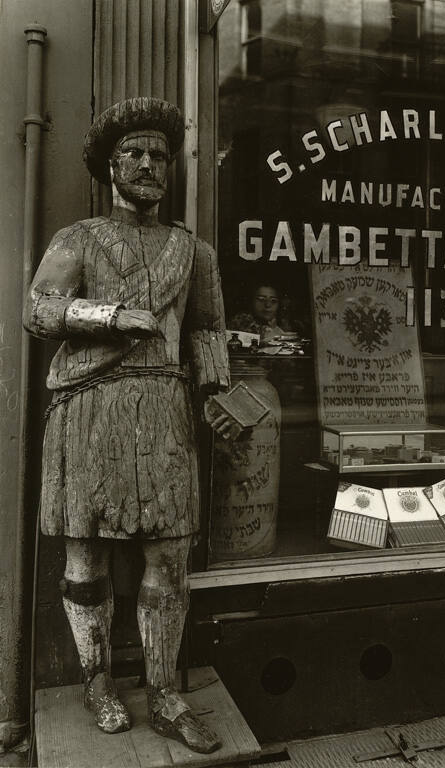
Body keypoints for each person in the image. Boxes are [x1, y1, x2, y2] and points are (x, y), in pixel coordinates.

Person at [23, 97, 234, 754]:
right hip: (88, 409)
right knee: (86, 555)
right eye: (135, 154)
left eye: (159, 156)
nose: (148, 164)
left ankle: (167, 692)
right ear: (109, 166)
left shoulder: (191, 252)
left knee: (169, 561)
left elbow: (206, 330)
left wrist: (217, 393)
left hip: (164, 412)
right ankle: (96, 680)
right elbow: (39, 310)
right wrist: (113, 316)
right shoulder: (78, 239)